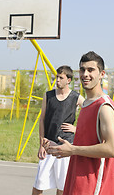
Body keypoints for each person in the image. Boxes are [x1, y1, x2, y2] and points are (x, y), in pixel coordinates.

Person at [45, 51, 114, 195]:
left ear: (102, 74)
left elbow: (112, 149)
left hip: (93, 187)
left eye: (91, 70)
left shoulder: (104, 107)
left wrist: (73, 150)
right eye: (82, 69)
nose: (85, 74)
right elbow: (86, 141)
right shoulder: (85, 104)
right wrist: (60, 147)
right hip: (76, 180)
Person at [32, 66, 84, 195]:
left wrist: (77, 129)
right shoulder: (48, 95)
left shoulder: (76, 97)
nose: (58, 80)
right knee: (39, 183)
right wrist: (41, 144)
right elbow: (42, 120)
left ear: (69, 80)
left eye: (61, 78)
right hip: (48, 145)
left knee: (62, 187)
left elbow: (92, 115)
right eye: (57, 77)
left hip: (65, 147)